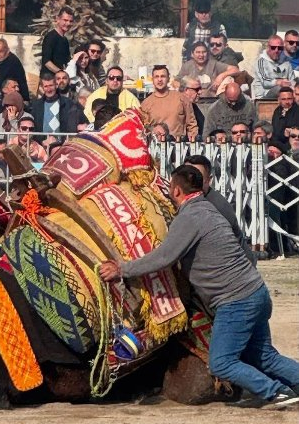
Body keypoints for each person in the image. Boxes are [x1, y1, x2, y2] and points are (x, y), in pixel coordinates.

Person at [99, 164, 299, 409]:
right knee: (264, 356)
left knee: (222, 363)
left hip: (235, 301)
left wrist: (122, 269)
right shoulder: (209, 209)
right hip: (256, 291)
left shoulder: (190, 217)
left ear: (175, 191)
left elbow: (164, 257)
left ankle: (276, 392)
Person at [184, 155, 255, 265]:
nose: (192, 182)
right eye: (186, 177)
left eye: (198, 178)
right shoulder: (190, 201)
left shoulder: (216, 207)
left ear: (209, 180)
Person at [140, 65, 198, 139]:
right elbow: (142, 129)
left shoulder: (181, 98)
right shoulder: (145, 104)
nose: (160, 79)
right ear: (152, 80)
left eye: (163, 76)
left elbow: (192, 124)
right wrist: (152, 131)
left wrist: (192, 144)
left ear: (168, 79)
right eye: (156, 77)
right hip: (155, 146)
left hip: (179, 146)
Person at [253, 35, 294, 100]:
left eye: (280, 48)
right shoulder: (261, 62)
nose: (276, 50)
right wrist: (280, 82)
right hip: (265, 97)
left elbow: (292, 81)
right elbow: (265, 82)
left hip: (285, 96)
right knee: (280, 88)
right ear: (268, 47)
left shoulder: (287, 63)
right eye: (273, 47)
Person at [41, 6, 74, 75]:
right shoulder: (50, 37)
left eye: (70, 21)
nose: (68, 24)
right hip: (49, 80)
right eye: (65, 20)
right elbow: (47, 61)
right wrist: (61, 73)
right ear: (58, 19)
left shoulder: (65, 40)